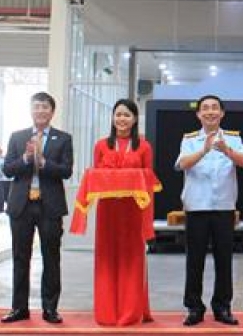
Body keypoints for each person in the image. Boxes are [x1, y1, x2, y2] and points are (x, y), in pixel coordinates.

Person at [174, 94, 243, 327]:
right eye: (205, 108)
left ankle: (222, 307)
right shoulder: (190, 139)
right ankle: (194, 308)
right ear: (198, 115)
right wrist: (204, 150)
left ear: (222, 113)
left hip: (224, 207)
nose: (210, 112)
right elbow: (180, 165)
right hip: (196, 207)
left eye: (214, 108)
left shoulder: (233, 138)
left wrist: (226, 150)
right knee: (194, 261)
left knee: (224, 260)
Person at [1, 92, 73, 325]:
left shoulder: (63, 139)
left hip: (49, 206)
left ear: (52, 111)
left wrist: (42, 162)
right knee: (20, 257)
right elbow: (8, 170)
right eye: (36, 107)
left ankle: (50, 308)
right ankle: (19, 308)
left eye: (45, 107)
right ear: (31, 111)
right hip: (21, 206)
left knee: (51, 257)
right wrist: (25, 157)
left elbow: (66, 171)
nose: (40, 111)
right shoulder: (17, 136)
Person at [90, 99, 155, 326]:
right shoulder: (100, 145)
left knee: (132, 258)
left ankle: (131, 311)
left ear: (135, 119)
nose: (122, 119)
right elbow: (95, 178)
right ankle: (107, 312)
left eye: (127, 115)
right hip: (107, 210)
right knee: (106, 258)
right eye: (118, 114)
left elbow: (149, 180)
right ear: (112, 117)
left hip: (133, 210)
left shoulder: (144, 146)